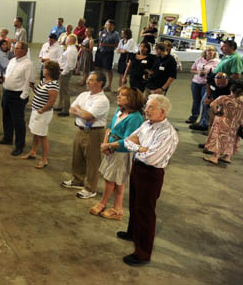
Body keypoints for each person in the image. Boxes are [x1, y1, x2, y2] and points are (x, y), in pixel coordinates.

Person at [118, 94, 179, 266]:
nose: (146, 110)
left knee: (145, 211)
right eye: (147, 106)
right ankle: (133, 233)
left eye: (151, 107)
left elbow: (151, 158)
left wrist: (138, 148)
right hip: (138, 167)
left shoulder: (167, 133)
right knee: (134, 203)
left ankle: (142, 253)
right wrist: (140, 148)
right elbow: (128, 140)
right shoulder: (146, 124)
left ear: (163, 112)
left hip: (151, 174)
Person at [94, 87, 145, 220]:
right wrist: (104, 144)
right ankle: (118, 209)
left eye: (123, 95)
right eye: (119, 94)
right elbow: (110, 128)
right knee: (117, 181)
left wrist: (108, 145)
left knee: (111, 180)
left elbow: (128, 140)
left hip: (121, 153)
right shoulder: (119, 110)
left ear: (131, 100)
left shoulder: (135, 117)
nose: (118, 97)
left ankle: (102, 203)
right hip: (111, 149)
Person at [61, 72, 111, 199]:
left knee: (92, 161)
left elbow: (88, 116)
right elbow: (71, 109)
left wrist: (79, 110)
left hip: (94, 133)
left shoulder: (102, 100)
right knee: (77, 157)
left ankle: (90, 188)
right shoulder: (84, 95)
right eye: (88, 79)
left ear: (99, 83)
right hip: (80, 129)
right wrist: (81, 112)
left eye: (91, 80)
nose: (87, 82)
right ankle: (77, 180)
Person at [0, 41, 34, 155]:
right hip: (7, 92)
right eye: (14, 48)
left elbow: (29, 81)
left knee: (18, 122)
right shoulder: (12, 60)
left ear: (25, 51)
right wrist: (3, 80)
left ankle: (19, 145)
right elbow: (8, 74)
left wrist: (23, 96)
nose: (15, 50)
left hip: (17, 96)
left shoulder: (28, 64)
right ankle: (7, 138)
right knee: (6, 117)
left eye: (17, 48)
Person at [22, 60, 60, 168]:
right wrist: (33, 87)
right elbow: (39, 93)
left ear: (50, 71)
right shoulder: (44, 81)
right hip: (36, 111)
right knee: (36, 133)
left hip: (43, 113)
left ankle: (44, 159)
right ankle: (33, 151)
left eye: (45, 68)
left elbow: (52, 101)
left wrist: (42, 110)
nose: (43, 70)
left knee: (42, 136)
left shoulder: (53, 84)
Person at [203, 81, 243, 164]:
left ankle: (215, 157)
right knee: (231, 139)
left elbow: (212, 105)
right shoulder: (241, 101)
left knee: (219, 138)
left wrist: (217, 112)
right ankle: (227, 157)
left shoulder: (224, 98)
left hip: (223, 121)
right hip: (236, 123)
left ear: (231, 89)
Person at [187, 47, 219, 126]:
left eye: (212, 50)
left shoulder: (217, 62)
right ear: (205, 52)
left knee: (204, 102)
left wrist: (208, 73)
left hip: (206, 84)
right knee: (196, 100)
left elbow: (217, 73)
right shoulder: (199, 60)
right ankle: (194, 116)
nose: (210, 52)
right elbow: (192, 69)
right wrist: (198, 72)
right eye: (209, 50)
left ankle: (203, 120)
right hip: (196, 82)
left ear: (214, 52)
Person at [56, 35, 79, 116]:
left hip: (65, 72)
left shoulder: (71, 50)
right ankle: (61, 105)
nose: (65, 40)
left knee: (65, 91)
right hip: (64, 71)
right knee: (61, 90)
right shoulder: (70, 49)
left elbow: (69, 64)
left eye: (66, 39)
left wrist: (63, 73)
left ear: (70, 40)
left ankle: (66, 110)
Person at [96, 19, 120, 91]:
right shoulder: (103, 32)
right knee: (100, 68)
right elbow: (99, 41)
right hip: (100, 51)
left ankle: (109, 85)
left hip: (108, 53)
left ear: (113, 26)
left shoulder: (115, 34)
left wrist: (106, 45)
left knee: (108, 69)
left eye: (109, 24)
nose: (107, 26)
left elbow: (117, 45)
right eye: (106, 24)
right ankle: (100, 83)